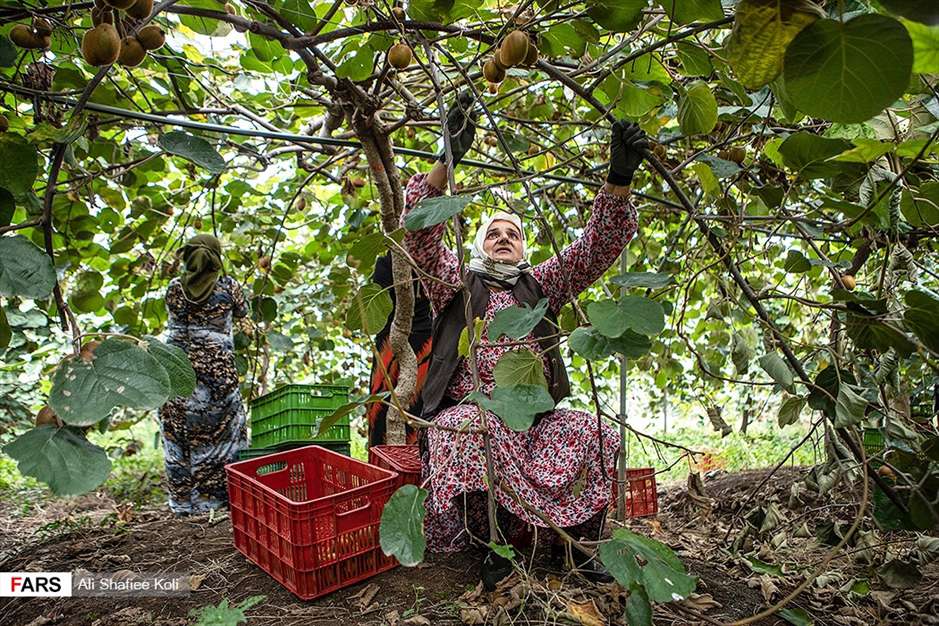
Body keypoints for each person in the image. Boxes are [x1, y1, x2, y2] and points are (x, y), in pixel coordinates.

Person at [402, 93, 648, 587]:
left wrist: (618, 180)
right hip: (471, 413)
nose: (502, 237)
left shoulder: (538, 284)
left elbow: (594, 250)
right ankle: (496, 548)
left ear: (524, 246)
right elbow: (421, 235)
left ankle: (578, 547)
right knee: (475, 427)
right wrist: (443, 163)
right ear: (476, 243)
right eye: (493, 232)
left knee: (596, 432)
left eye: (512, 232)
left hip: (533, 420)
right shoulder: (454, 280)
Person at [158, 234, 249, 515]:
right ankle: (216, 501)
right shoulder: (229, 288)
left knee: (177, 435)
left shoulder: (174, 289)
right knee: (222, 435)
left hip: (174, 371)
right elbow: (243, 314)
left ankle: (183, 504)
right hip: (216, 375)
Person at [366, 252, 433, 447]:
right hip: (390, 341)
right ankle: (385, 470)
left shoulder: (436, 260)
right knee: (380, 411)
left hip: (424, 342)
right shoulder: (386, 261)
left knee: (417, 410)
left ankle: (417, 472)